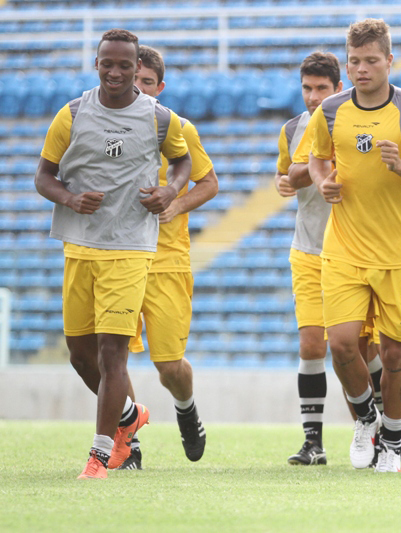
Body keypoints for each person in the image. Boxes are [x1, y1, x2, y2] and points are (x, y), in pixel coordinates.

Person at [34, 29, 191, 479]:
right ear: (97, 63)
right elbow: (43, 176)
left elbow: (183, 163)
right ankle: (128, 416)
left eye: (126, 65)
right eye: (109, 63)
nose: (117, 72)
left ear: (135, 65)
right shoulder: (73, 114)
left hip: (130, 246)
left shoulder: (160, 118)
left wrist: (170, 189)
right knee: (80, 355)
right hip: (80, 245)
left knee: (111, 354)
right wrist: (69, 199)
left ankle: (100, 455)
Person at [307, 18, 401, 473]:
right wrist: (322, 181)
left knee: (394, 355)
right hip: (344, 248)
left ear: (390, 60)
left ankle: (392, 437)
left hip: (400, 254)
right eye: (354, 61)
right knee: (343, 346)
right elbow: (316, 155)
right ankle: (366, 418)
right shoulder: (330, 110)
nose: (362, 69)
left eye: (371, 60)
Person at [118, 44, 218, 469]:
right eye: (131, 79)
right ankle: (128, 444)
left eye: (145, 82)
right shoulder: (105, 128)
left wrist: (176, 205)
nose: (136, 87)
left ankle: (186, 407)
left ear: (159, 87)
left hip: (167, 259)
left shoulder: (177, 129)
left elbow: (209, 182)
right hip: (118, 256)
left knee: (168, 364)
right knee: (111, 356)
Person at [275, 51, 344, 466]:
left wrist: (300, 174)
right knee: (311, 344)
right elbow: (287, 174)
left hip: (354, 251)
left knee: (359, 348)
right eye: (307, 88)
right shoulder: (290, 129)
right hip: (308, 248)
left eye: (322, 88)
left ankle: (393, 421)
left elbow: (304, 171)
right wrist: (286, 182)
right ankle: (313, 441)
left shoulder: (353, 123)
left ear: (339, 88)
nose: (313, 96)